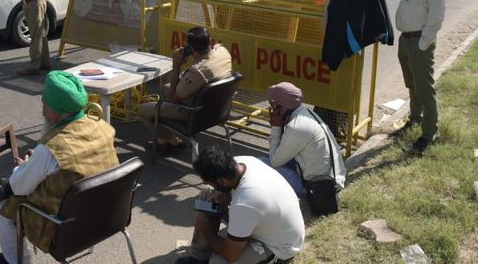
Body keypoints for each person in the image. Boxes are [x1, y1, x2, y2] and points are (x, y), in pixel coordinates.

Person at [0, 71, 119, 264]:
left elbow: (20, 186)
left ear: (55, 112)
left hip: (65, 229)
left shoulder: (51, 149)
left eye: (44, 103)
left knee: (3, 201)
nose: (42, 109)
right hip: (107, 216)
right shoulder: (103, 127)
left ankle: (16, 261)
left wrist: (27, 165)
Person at [177, 147, 305, 264]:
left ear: (222, 181)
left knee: (219, 262)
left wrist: (206, 231)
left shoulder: (246, 202)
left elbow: (230, 255)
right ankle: (200, 257)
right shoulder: (241, 162)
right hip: (267, 222)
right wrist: (221, 191)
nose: (211, 186)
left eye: (211, 182)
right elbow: (234, 193)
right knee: (207, 193)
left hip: (278, 246)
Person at [395, 0, 449, 154]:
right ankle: (414, 119)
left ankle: (429, 134)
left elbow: (437, 15)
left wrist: (423, 43)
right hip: (406, 39)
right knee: (412, 86)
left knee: (424, 90)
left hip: (419, 41)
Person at [138, 27, 232, 152]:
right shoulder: (223, 52)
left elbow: (173, 97)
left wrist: (176, 64)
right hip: (217, 110)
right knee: (165, 89)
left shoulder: (197, 72)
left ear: (191, 48)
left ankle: (169, 140)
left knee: (142, 109)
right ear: (209, 41)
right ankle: (165, 138)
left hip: (194, 113)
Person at [263, 82, 346, 198]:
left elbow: (274, 161)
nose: (271, 109)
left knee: (262, 165)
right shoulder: (305, 112)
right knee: (271, 159)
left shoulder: (295, 127)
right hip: (334, 179)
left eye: (273, 105)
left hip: (319, 190)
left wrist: (276, 127)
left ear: (280, 108)